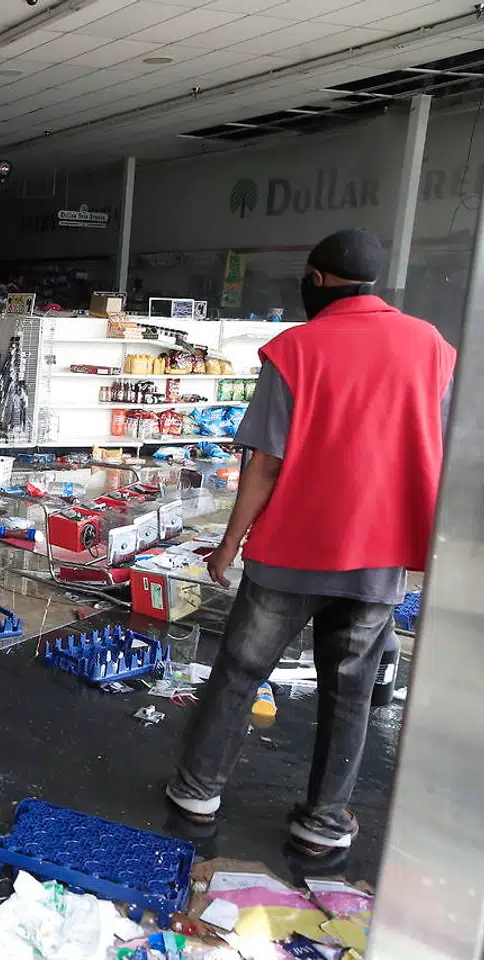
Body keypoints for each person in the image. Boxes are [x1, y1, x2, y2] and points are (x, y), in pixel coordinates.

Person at [165, 228, 456, 856]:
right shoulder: (431, 347)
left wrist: (227, 546)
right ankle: (323, 822)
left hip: (292, 551)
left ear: (316, 279)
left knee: (240, 672)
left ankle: (199, 791)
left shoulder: (296, 350)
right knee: (350, 691)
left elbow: (264, 466)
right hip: (379, 555)